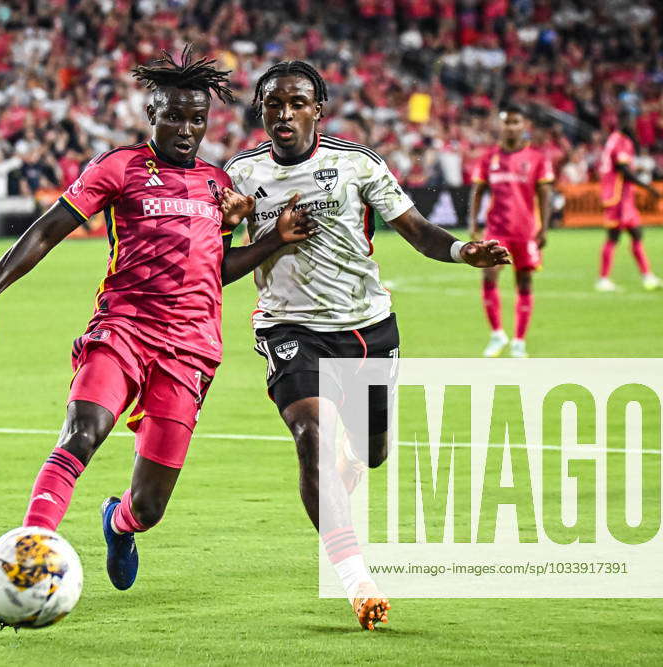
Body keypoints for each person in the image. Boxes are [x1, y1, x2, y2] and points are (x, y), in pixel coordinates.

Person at [0, 49, 315, 605]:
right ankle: (32, 553)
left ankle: (118, 522)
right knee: (82, 431)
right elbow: (47, 230)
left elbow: (216, 270)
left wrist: (269, 239)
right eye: (174, 115)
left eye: (197, 119)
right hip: (123, 328)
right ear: (152, 112)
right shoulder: (118, 168)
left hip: (191, 349)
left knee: (149, 507)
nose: (186, 129)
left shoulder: (216, 185)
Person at [223, 61, 510, 631]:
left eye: (297, 102)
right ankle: (358, 582)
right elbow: (219, 268)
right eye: (273, 104)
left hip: (367, 327)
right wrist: (266, 236)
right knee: (312, 436)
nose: (284, 113)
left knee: (372, 454)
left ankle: (352, 461)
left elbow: (418, 230)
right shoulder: (238, 176)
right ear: (260, 111)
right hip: (289, 328)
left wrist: (461, 253)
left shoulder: (356, 163)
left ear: (317, 109)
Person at [468, 104, 554, 359]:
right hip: (496, 229)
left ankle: (519, 340)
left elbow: (545, 193)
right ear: (500, 125)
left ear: (524, 125)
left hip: (526, 231)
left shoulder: (537, 158)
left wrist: (544, 228)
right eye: (507, 122)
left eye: (516, 122)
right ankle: (497, 334)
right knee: (488, 275)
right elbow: (478, 190)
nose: (511, 127)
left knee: (524, 282)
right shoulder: (488, 158)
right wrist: (473, 221)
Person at [596, 109, 663, 291]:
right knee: (614, 237)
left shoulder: (616, 139)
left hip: (624, 198)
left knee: (637, 234)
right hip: (617, 197)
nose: (634, 125)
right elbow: (624, 171)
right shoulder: (621, 141)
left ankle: (647, 277)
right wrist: (649, 188)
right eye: (630, 121)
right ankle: (603, 279)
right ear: (623, 122)